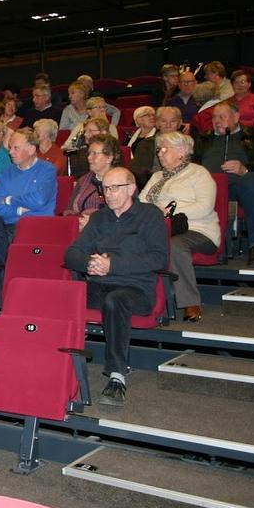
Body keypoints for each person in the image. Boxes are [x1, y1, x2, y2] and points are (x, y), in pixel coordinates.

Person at [64, 167, 167, 407]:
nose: (108, 194)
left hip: (136, 289)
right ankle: (50, 363)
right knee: (58, 296)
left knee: (116, 300)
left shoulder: (150, 216)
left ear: (131, 188)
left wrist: (113, 265)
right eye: (105, 189)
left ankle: (117, 376)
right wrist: (90, 264)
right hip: (100, 284)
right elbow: (71, 254)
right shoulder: (100, 218)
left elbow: (158, 258)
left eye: (114, 188)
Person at [139, 131, 221, 322]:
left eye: (165, 148)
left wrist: (169, 211)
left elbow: (204, 207)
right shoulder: (157, 176)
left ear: (182, 151)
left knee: (175, 245)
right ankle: (143, 299)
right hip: (159, 228)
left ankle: (190, 302)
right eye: (159, 149)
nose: (160, 153)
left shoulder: (199, 173)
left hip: (197, 229)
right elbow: (141, 202)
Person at [194, 100, 254, 267]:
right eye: (214, 117)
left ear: (236, 117)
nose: (217, 121)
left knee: (252, 181)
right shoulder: (204, 139)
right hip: (210, 187)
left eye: (222, 116)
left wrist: (246, 168)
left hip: (241, 186)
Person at [0, 127, 57, 239]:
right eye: (10, 148)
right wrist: (18, 210)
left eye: (16, 148)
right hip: (8, 228)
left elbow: (39, 200)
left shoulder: (47, 170)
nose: (10, 152)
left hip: (37, 226)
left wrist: (9, 200)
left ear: (31, 150)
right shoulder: (7, 172)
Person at [64, 134, 120, 230]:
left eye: (94, 153)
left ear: (109, 158)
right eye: (89, 153)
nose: (89, 157)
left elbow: (126, 217)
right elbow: (69, 211)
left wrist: (95, 223)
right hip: (80, 231)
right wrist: (79, 221)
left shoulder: (123, 181)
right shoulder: (83, 180)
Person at [131, 106, 183, 187]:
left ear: (179, 123)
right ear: (157, 123)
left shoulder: (189, 144)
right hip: (153, 186)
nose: (168, 125)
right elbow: (138, 175)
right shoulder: (145, 144)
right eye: (163, 121)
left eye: (173, 121)